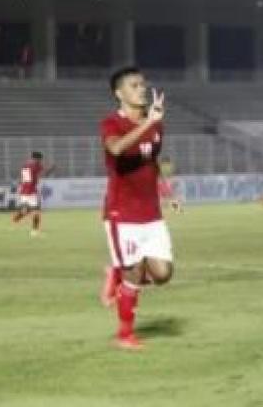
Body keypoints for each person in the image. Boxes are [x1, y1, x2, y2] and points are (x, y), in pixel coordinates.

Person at [98, 66, 174, 350]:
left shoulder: (156, 125)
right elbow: (117, 149)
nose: (141, 89)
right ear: (119, 93)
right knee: (134, 276)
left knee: (164, 275)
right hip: (123, 215)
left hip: (152, 215)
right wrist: (147, 124)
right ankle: (125, 335)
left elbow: (151, 161)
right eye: (134, 85)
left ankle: (116, 272)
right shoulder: (111, 123)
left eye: (143, 84)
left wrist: (167, 191)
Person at [11, 151, 54, 237]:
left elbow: (23, 178)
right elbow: (44, 174)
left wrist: (19, 185)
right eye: (40, 159)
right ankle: (34, 231)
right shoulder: (36, 165)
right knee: (36, 211)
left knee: (27, 210)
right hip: (31, 191)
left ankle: (15, 220)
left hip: (23, 190)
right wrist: (51, 169)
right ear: (37, 158)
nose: (41, 161)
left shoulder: (25, 165)